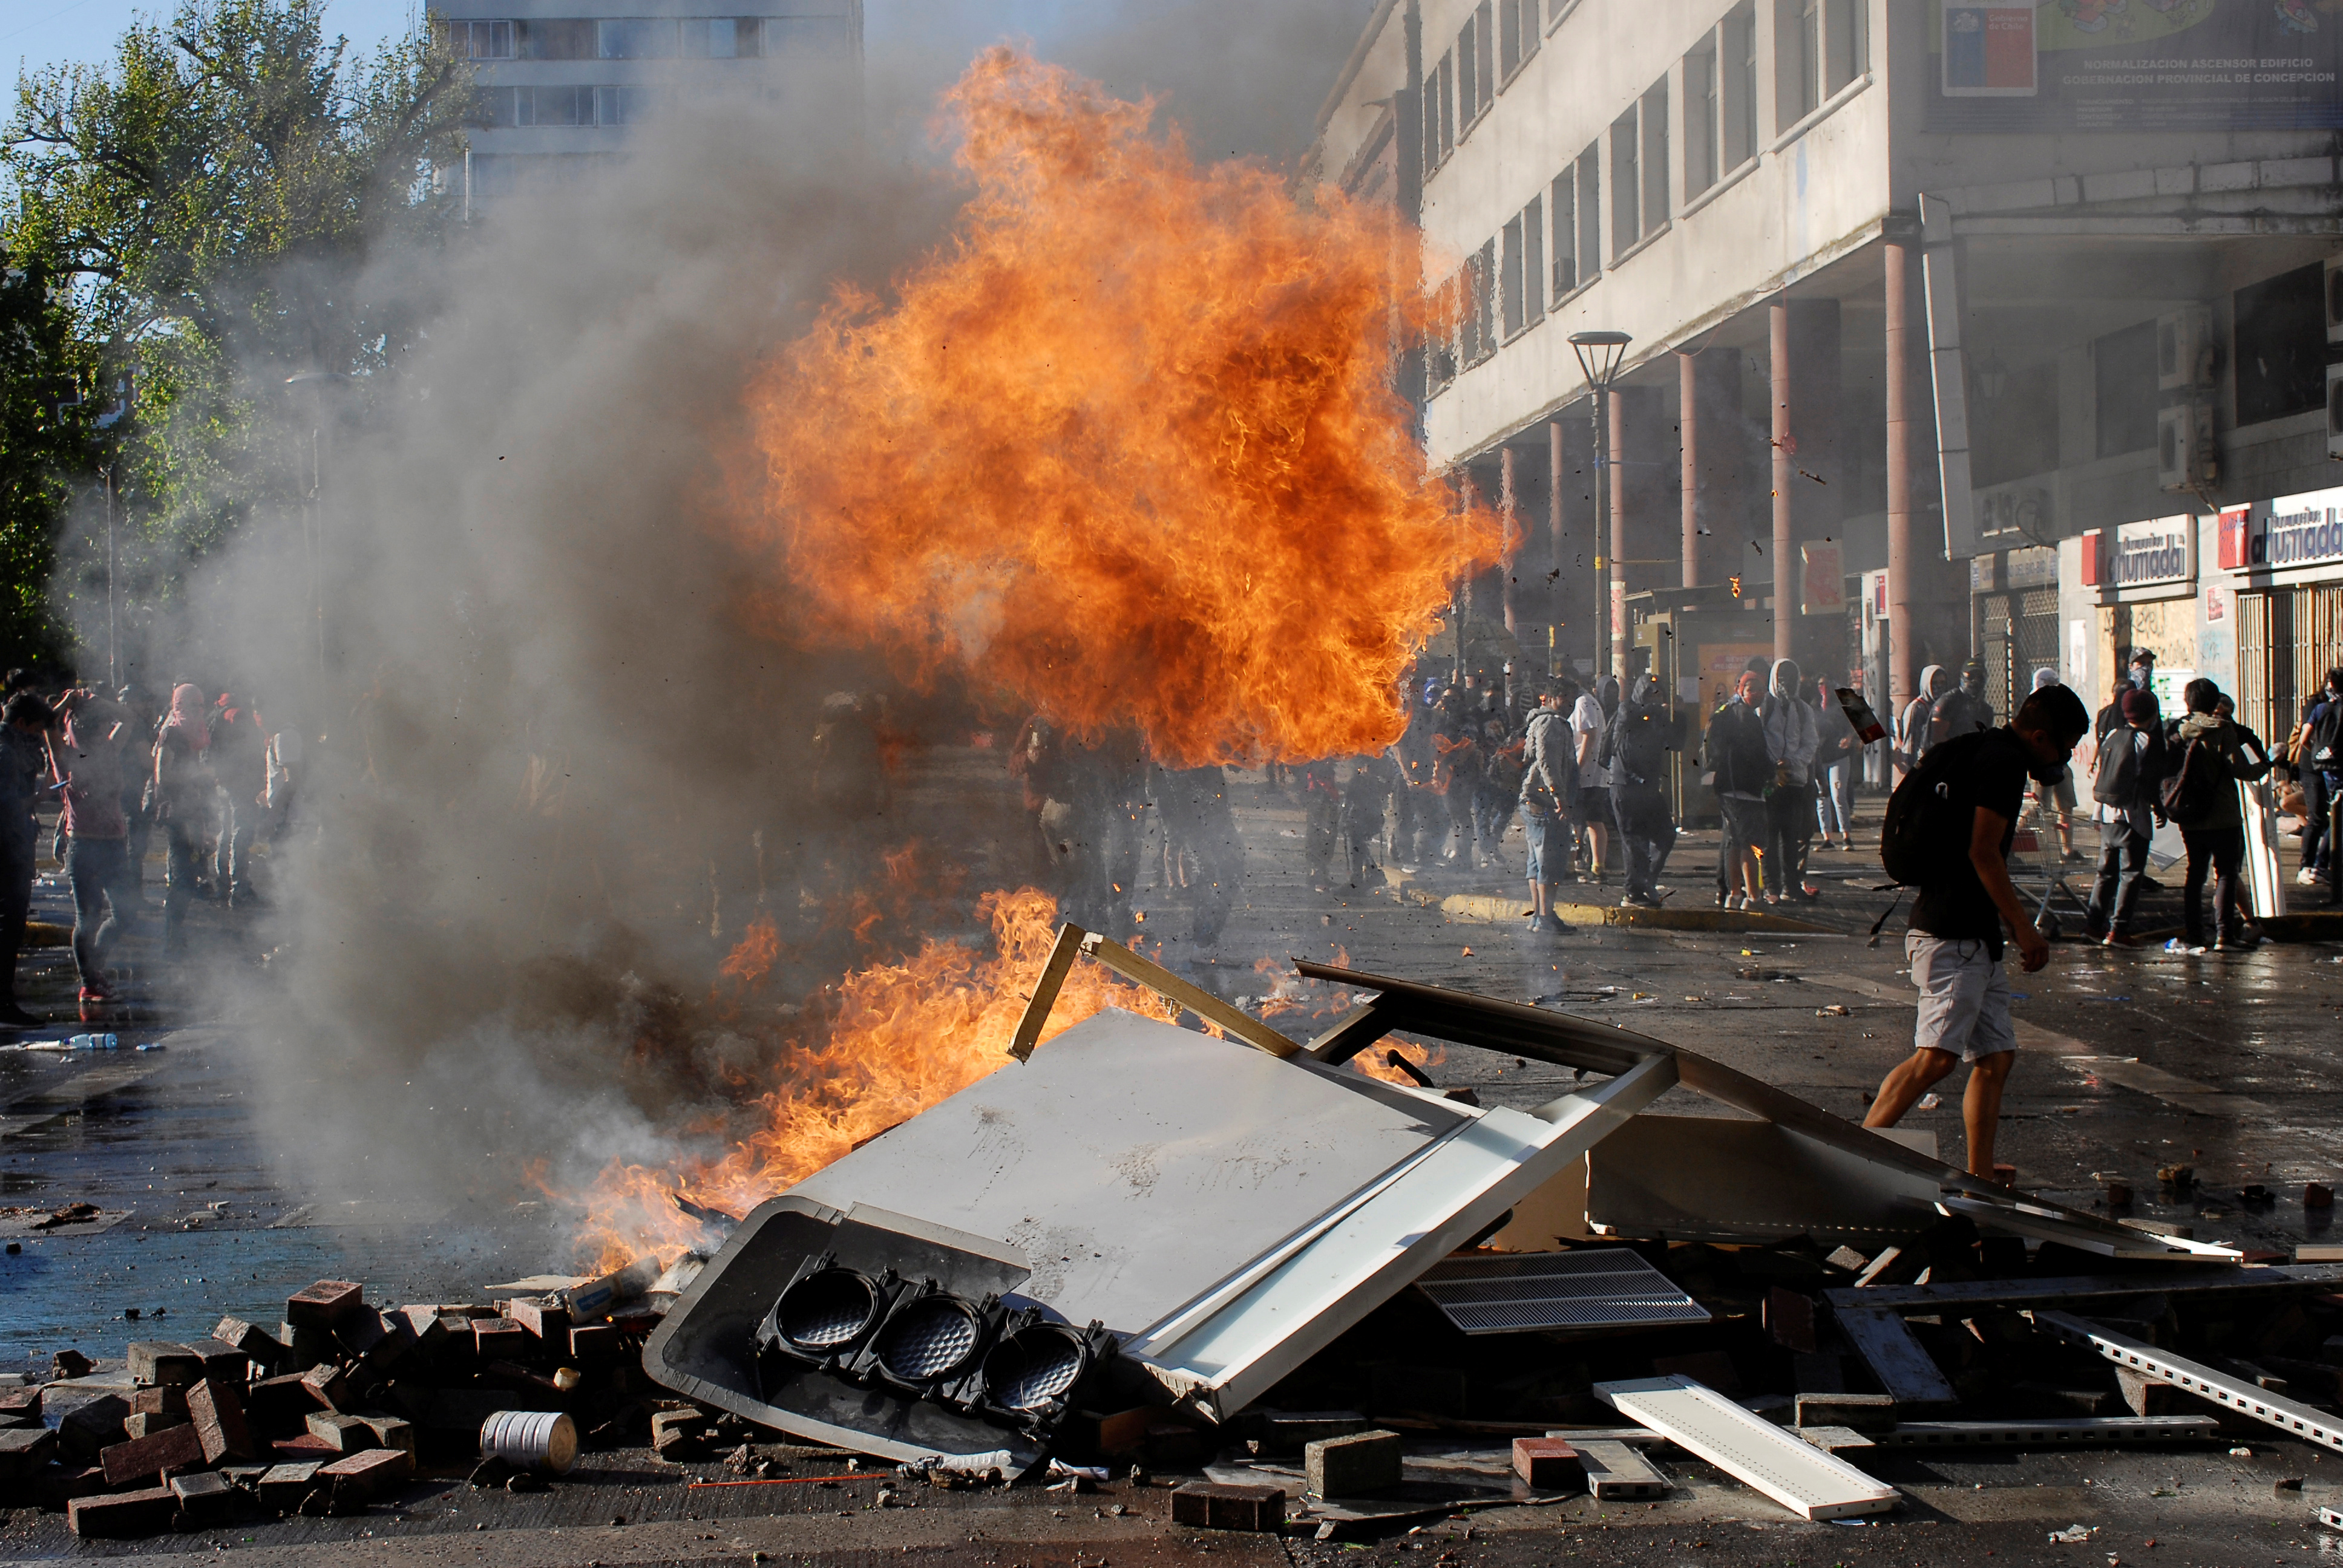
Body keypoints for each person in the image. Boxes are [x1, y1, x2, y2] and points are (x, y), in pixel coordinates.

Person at [1863, 682, 2090, 1181]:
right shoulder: (2004, 764)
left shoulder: (1985, 751)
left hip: (1971, 934)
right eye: (2066, 744)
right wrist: (2025, 928)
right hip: (1952, 933)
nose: (2067, 756)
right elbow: (1983, 851)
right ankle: (1853, 1155)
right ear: (2039, 736)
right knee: (1936, 1060)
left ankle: (1980, 1173)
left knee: (1996, 1054)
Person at [45, 687, 140, 1019]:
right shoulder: (68, 757)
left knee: (127, 914)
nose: (102, 731)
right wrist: (66, 703)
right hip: (84, 845)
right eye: (96, 725)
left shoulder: (110, 751)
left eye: (103, 725)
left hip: (114, 844)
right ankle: (90, 981)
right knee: (88, 918)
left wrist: (99, 702)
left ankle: (93, 967)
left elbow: (129, 717)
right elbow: (48, 723)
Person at [2161, 679, 2271, 955]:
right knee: (2226, 874)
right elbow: (2241, 770)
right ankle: (2225, 935)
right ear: (2215, 703)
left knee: (2195, 874)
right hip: (2223, 814)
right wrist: (2268, 763)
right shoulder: (2222, 730)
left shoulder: (2177, 729)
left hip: (2189, 814)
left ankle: (2195, 935)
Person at [2084, 687, 2164, 947]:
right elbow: (2151, 783)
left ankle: (2093, 926)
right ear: (2152, 713)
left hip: (2107, 814)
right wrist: (2160, 810)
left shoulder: (2113, 734)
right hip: (2133, 816)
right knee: (2131, 873)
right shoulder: (2147, 742)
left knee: (2105, 874)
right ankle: (2118, 930)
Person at [0, 694, 51, 1025]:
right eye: (35, 729)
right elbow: (8, 804)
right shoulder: (6, 753)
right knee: (9, 925)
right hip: (8, 848)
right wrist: (41, 796)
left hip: (13, 845)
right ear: (22, 724)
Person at [152, 682, 213, 955]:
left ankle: (175, 936)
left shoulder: (188, 733)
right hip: (177, 812)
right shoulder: (172, 733)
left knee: (187, 874)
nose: (198, 711)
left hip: (189, 810)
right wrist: (195, 780)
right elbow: (163, 776)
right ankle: (172, 939)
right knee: (183, 876)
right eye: (192, 705)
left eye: (200, 705)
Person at [1607, 673, 1676, 908]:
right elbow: (1630, 720)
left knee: (1666, 834)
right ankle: (1633, 893)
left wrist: (1678, 714)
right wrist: (1655, 711)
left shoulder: (1657, 718)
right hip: (1626, 786)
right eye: (1650, 693)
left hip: (1648, 788)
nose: (1655, 699)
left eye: (1659, 694)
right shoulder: (1629, 710)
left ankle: (1647, 881)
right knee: (1635, 840)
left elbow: (1676, 743)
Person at [1703, 668, 1769, 910]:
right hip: (1746, 789)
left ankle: (1734, 895)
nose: (1758, 694)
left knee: (1734, 842)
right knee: (1752, 844)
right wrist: (1771, 772)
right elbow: (1757, 755)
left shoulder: (1724, 712)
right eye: (1752, 690)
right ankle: (1754, 897)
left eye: (1761, 689)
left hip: (1724, 787)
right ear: (1740, 690)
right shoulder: (1748, 717)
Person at [1759, 659, 1820, 902]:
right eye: (1782, 678)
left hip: (1795, 782)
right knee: (1769, 838)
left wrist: (1792, 761)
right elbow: (1759, 740)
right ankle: (1772, 887)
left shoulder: (1804, 709)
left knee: (1792, 838)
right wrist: (1774, 764)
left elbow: (1811, 743)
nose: (1787, 683)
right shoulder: (1764, 707)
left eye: (1792, 678)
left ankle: (1791, 887)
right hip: (1770, 782)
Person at [1518, 684, 1571, 935]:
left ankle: (1539, 917)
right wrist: (1559, 796)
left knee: (1537, 862)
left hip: (1536, 800)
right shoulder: (1551, 723)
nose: (1569, 702)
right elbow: (1547, 763)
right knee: (1548, 861)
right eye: (1564, 696)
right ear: (1550, 698)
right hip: (1545, 802)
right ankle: (1545, 918)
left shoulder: (1542, 721)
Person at [2023, 668, 2080, 862]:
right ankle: (2014, 837)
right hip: (2042, 765)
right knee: (2039, 807)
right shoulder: (2033, 705)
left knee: (2066, 807)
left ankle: (2067, 849)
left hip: (2061, 763)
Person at [2293, 668, 2343, 890]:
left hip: (2321, 764)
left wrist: (2318, 754)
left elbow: (2305, 736)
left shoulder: (2321, 706)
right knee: (2318, 817)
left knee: (2327, 817)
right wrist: (2321, 755)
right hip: (2317, 768)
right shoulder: (2316, 704)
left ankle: (2319, 866)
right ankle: (2309, 866)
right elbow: (2306, 736)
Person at [1570, 676, 1611, 884]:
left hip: (1588, 773)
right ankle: (1595, 866)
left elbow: (1589, 736)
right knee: (1591, 820)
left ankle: (1586, 864)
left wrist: (1576, 768)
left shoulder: (1583, 702)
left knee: (1584, 820)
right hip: (1593, 773)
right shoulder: (1589, 701)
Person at [1814, 672, 1858, 852]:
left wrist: (1849, 738)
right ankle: (1827, 837)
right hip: (1821, 758)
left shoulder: (1841, 706)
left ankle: (1846, 836)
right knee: (1822, 797)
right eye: (1820, 684)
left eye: (1826, 683)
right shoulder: (1814, 706)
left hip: (1839, 756)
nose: (1823, 688)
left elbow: (1854, 725)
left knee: (1839, 795)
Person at [1928, 659, 1996, 750]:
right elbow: (1936, 739)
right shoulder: (1949, 701)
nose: (1975, 681)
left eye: (1979, 677)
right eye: (1971, 676)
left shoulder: (1986, 710)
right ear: (1962, 677)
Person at [1898, 664, 1948, 771]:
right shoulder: (1916, 708)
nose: (1938, 687)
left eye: (1942, 683)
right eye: (1934, 683)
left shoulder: (1946, 705)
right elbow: (1909, 747)